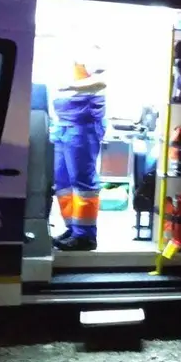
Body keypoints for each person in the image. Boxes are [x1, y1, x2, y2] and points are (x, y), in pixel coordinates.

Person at [49, 41, 108, 251]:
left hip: (82, 124)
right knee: (62, 181)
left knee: (82, 181)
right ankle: (73, 229)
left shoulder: (88, 51)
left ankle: (85, 236)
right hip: (62, 123)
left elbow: (101, 81)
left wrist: (70, 86)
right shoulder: (56, 54)